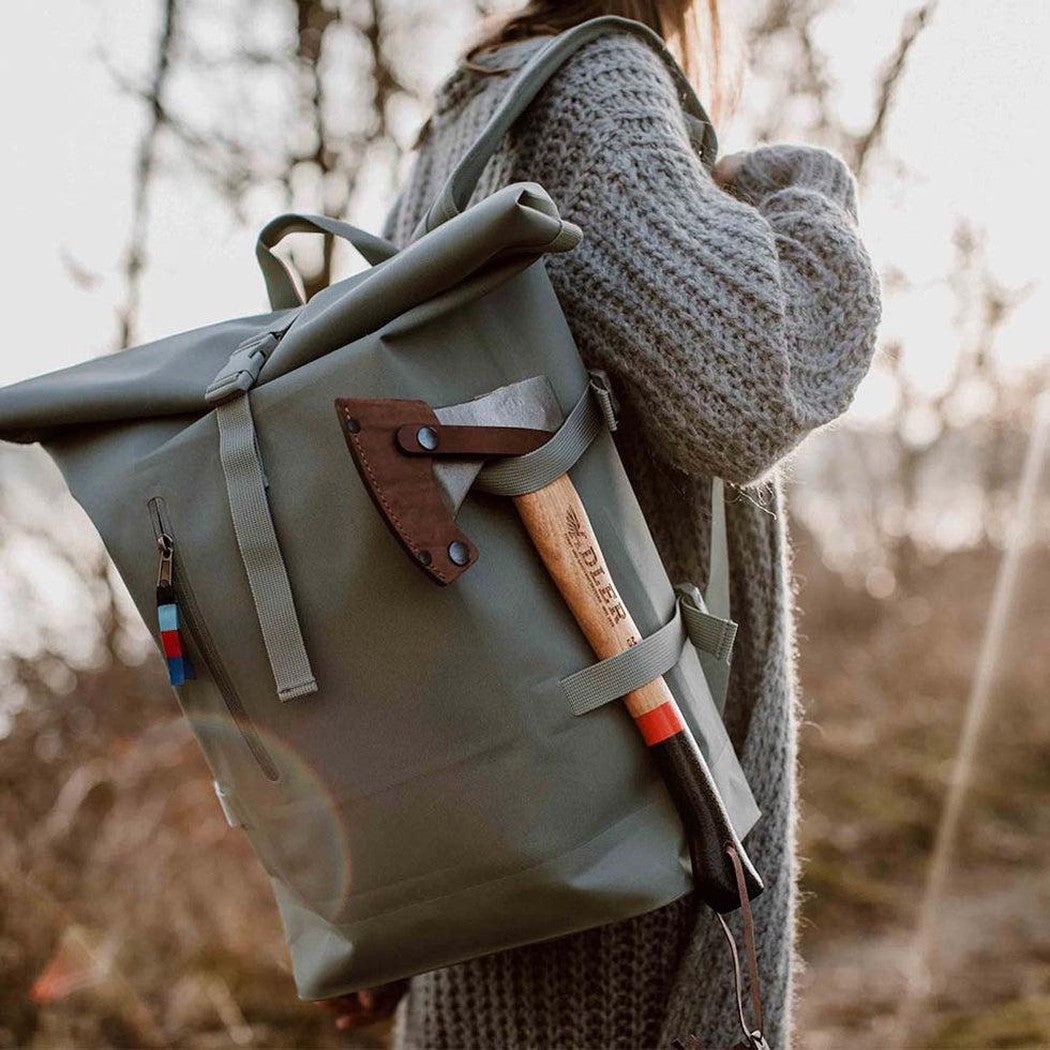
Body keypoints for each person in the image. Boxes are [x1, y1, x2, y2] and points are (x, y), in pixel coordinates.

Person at [324, 1, 881, 1046]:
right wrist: (803, 187)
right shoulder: (595, 87)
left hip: (503, 846)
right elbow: (752, 385)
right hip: (630, 891)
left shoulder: (467, 118)